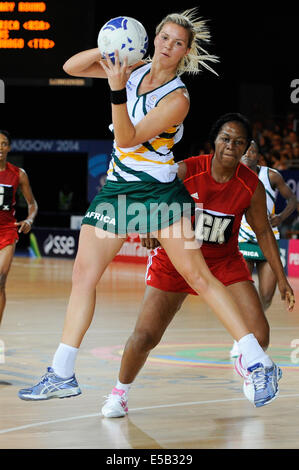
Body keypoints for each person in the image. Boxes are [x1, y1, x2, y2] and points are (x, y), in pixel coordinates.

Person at [18, 11, 287, 407]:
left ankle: (258, 361)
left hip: (158, 193)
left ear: (185, 52)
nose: (168, 46)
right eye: (163, 37)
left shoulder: (178, 99)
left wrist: (115, 88)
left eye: (177, 43)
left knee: (199, 276)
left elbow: (126, 140)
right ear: (153, 38)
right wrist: (113, 50)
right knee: (83, 275)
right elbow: (70, 66)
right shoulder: (131, 66)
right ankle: (62, 372)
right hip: (118, 190)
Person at [100, 113, 295, 417]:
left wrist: (282, 280)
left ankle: (247, 367)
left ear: (246, 148)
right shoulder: (187, 170)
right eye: (226, 139)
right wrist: (149, 228)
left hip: (223, 263)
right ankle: (119, 393)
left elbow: (264, 234)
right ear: (214, 141)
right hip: (176, 260)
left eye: (239, 142)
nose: (232, 145)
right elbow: (150, 194)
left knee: (260, 333)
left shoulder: (250, 186)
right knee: (145, 336)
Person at [229, 141, 297, 357]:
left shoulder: (272, 175)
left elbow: (293, 200)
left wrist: (280, 217)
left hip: (268, 239)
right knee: (242, 293)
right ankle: (241, 337)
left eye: (254, 150)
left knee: (265, 297)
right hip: (243, 239)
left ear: (258, 156)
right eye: (246, 150)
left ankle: (247, 330)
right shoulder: (231, 174)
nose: (249, 152)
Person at [0, 130, 38, 325]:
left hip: (6, 231)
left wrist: (29, 220)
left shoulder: (18, 174)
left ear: (9, 148)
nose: (0, 147)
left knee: (0, 280)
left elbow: (33, 204)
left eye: (4, 143)